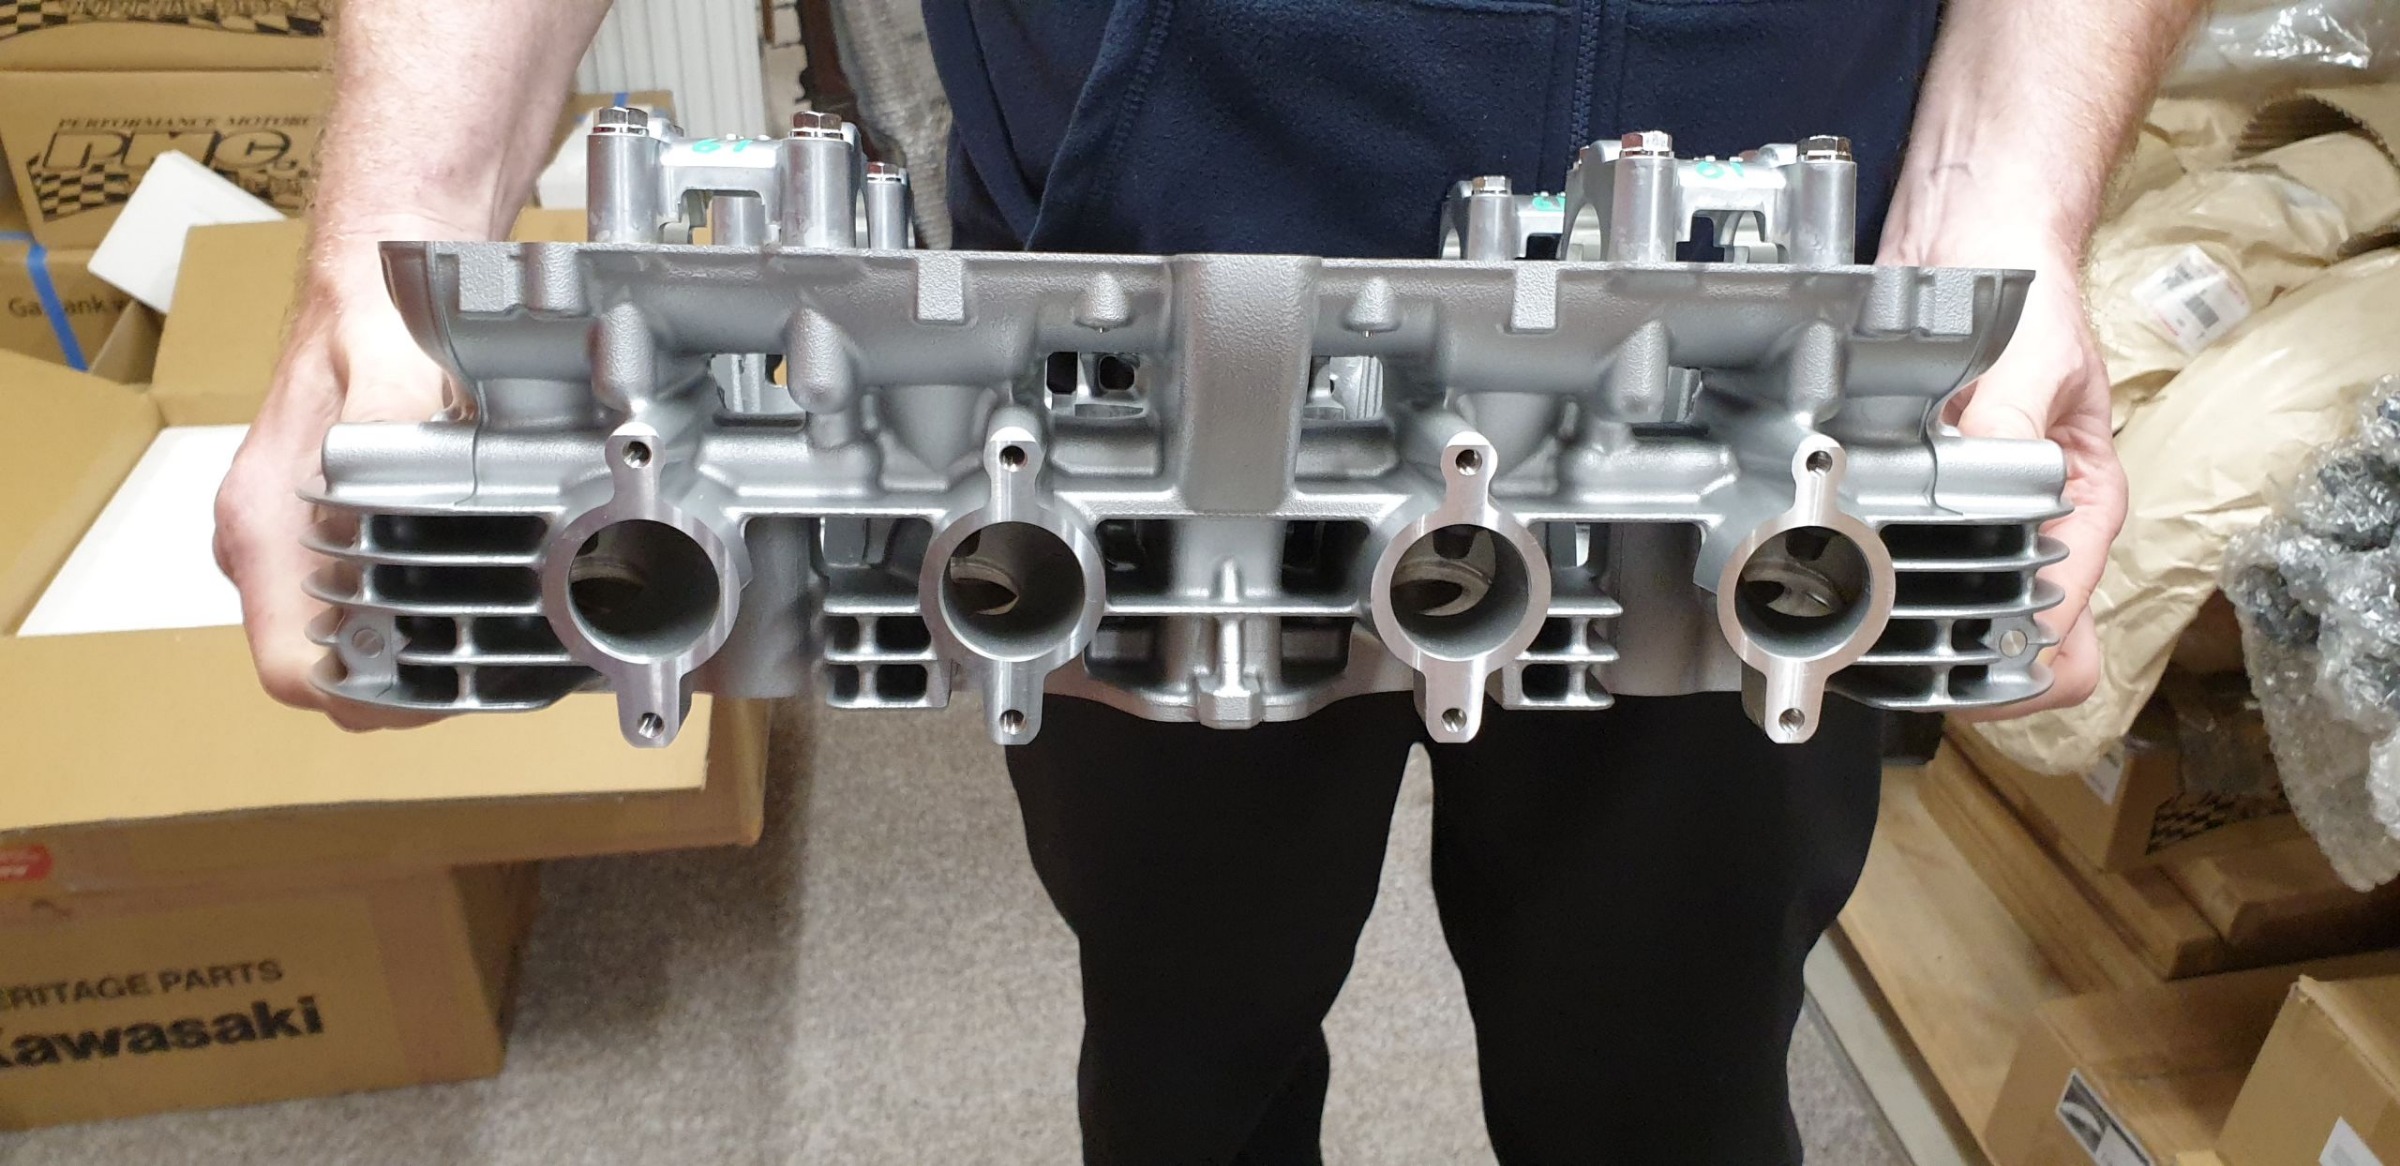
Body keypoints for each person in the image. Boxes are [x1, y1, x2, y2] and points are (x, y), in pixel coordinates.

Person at [216, 2, 2195, 1161]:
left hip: (1749, 351)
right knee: (1190, 1038)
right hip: (1130, 316)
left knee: (1663, 1078)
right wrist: (401, 225)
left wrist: (2008, 201)